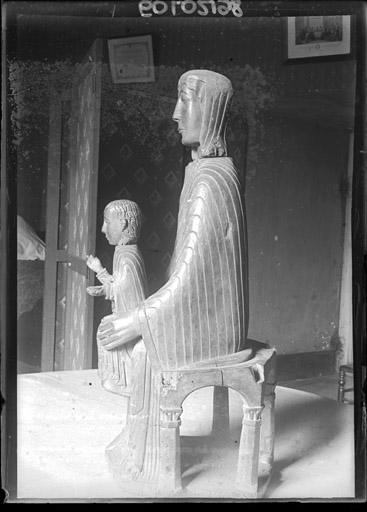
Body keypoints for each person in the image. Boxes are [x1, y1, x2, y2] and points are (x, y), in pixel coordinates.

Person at [98, 70, 251, 482]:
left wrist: (137, 319)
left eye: (185, 101)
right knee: (141, 342)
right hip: (204, 310)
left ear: (211, 110)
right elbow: (188, 273)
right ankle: (140, 452)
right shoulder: (202, 173)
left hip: (216, 324)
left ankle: (150, 465)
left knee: (148, 350)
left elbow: (192, 276)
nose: (175, 114)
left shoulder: (211, 181)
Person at [86, 199, 148, 396]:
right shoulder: (122, 251)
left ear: (122, 224)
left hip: (132, 319)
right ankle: (120, 379)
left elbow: (127, 291)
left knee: (106, 329)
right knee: (105, 326)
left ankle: (124, 381)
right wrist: (100, 271)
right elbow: (120, 284)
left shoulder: (128, 256)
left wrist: (104, 288)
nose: (103, 229)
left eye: (107, 222)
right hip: (127, 313)